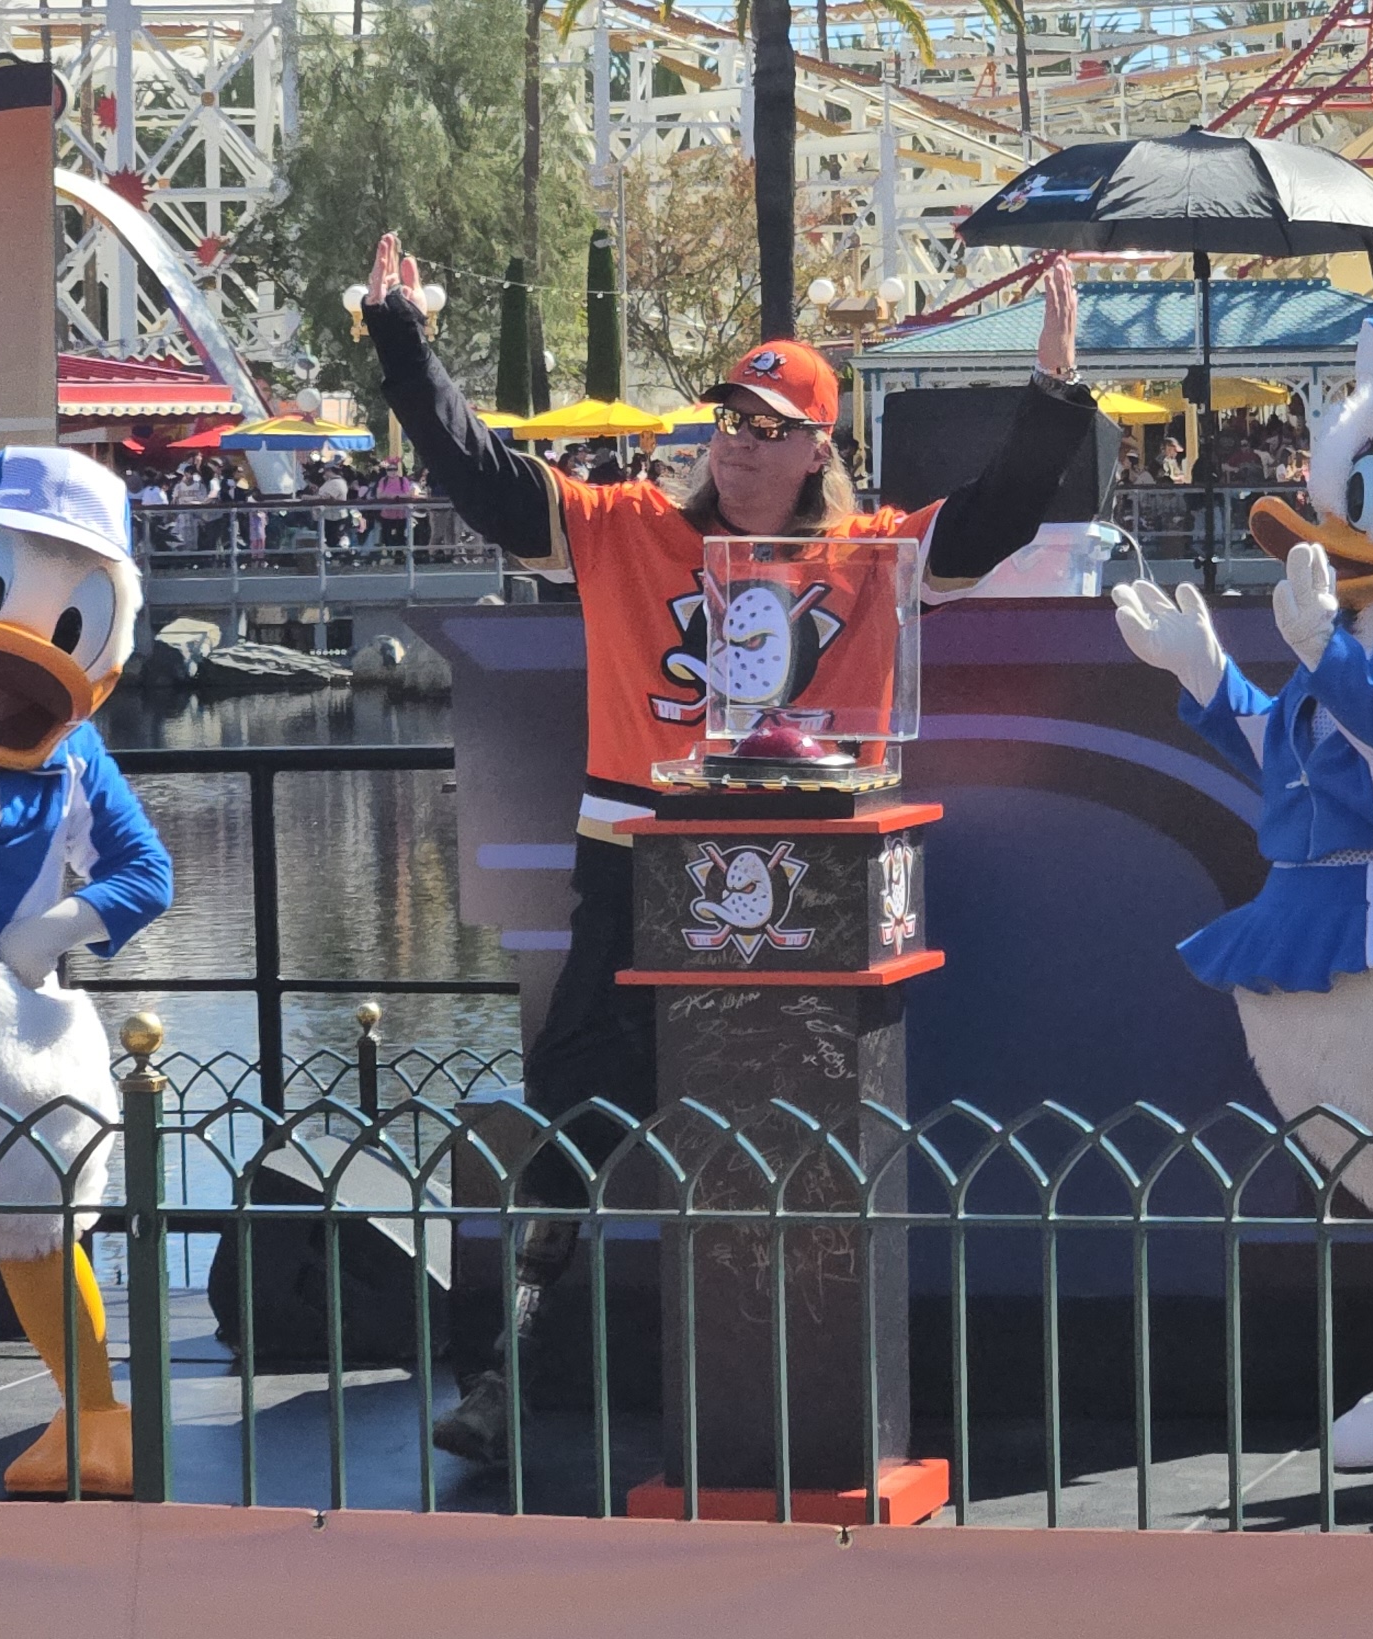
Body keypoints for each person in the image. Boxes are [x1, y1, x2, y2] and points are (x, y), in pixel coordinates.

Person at [359, 230, 1115, 1466]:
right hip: (634, 860)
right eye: (730, 420)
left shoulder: (868, 552)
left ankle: (803, 1397)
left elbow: (990, 523)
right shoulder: (626, 526)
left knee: (791, 1134)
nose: (739, 442)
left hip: (804, 875)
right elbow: (482, 474)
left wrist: (1050, 392)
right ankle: (507, 1375)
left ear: (819, 446)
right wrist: (402, 343)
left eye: (770, 428)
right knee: (569, 1120)